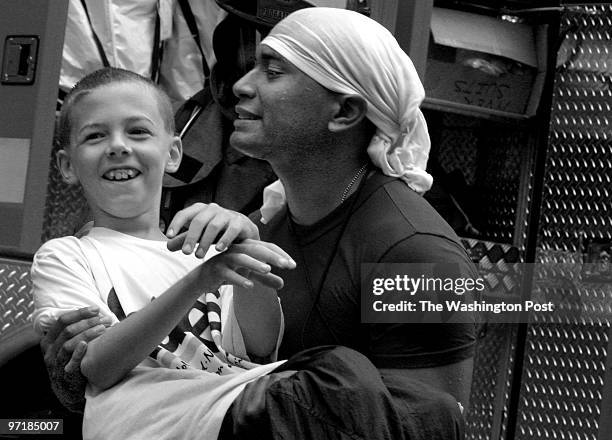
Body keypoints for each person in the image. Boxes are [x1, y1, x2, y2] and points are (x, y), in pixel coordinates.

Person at [44, 6, 477, 432]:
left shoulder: (419, 254)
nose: (241, 86)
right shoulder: (260, 225)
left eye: (272, 72)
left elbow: (432, 421)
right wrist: (77, 380)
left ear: (344, 112)